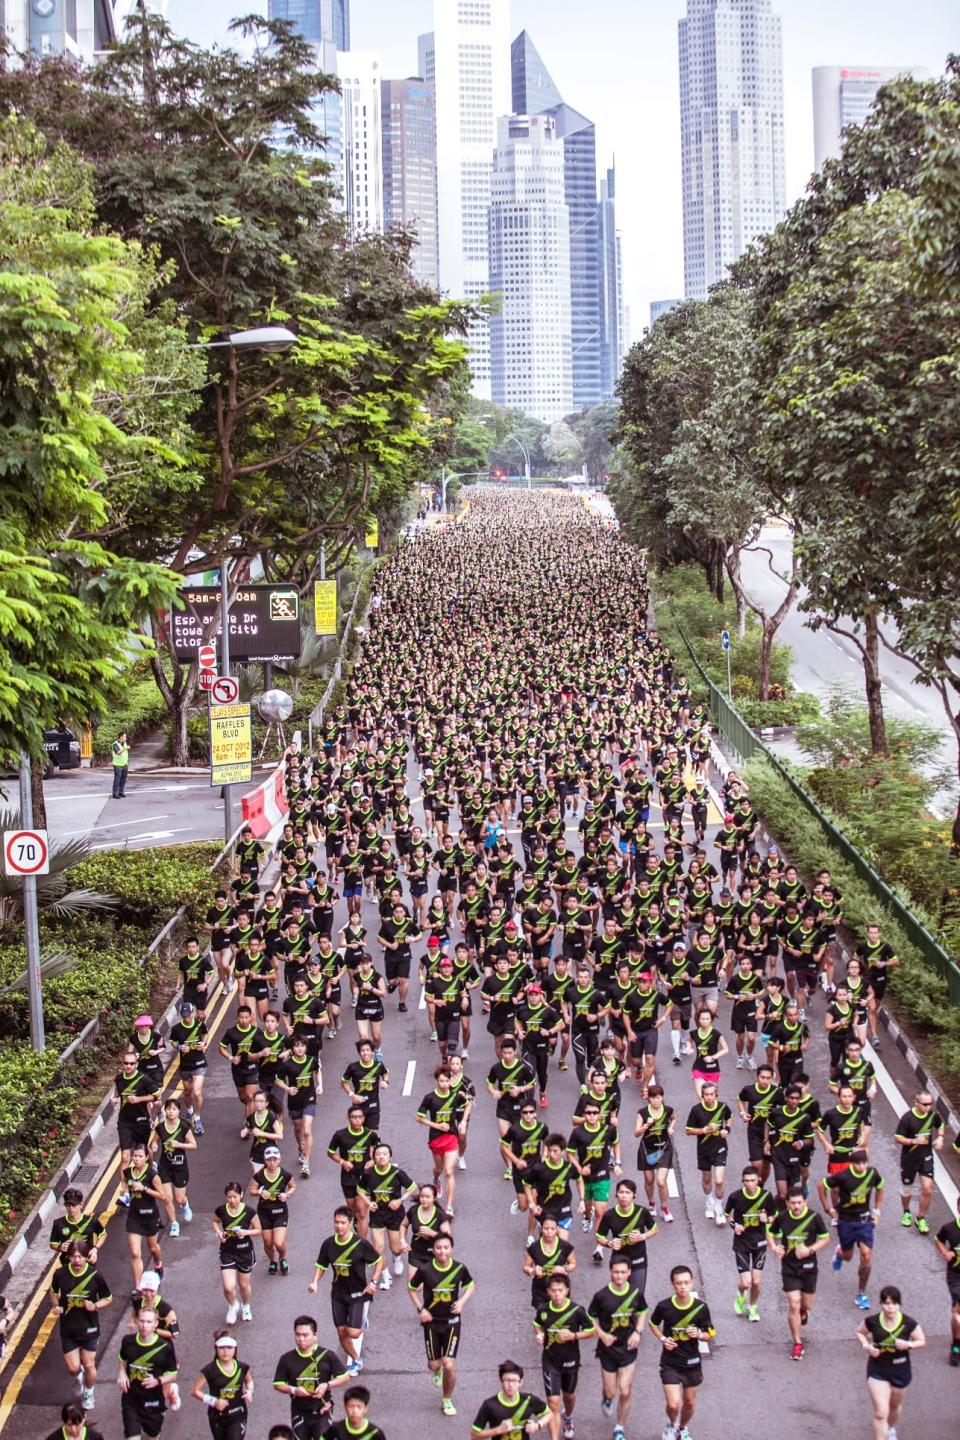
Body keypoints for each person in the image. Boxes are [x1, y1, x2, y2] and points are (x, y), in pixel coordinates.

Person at [407, 1231, 476, 1418]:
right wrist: (421, 1309)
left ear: (451, 1249)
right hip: (431, 1323)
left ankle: (447, 1399)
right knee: (434, 1364)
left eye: (446, 1248)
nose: (442, 1251)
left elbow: (470, 1285)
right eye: (438, 1248)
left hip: (452, 1322)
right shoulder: (425, 1269)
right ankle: (437, 1371)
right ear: (433, 1250)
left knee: (450, 1364)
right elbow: (411, 1289)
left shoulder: (459, 1268)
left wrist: (461, 1302)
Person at [309, 1206, 384, 1374]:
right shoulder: (328, 1244)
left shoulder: (360, 1244)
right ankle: (356, 1360)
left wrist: (373, 1282)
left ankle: (361, 1321)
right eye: (336, 1222)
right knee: (342, 1332)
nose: (339, 1226)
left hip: (359, 1294)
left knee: (354, 1333)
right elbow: (321, 1265)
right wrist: (315, 1282)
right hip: (338, 1294)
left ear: (350, 1223)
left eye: (343, 1223)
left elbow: (379, 1261)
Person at [649, 1264, 715, 1440]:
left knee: (690, 1403)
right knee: (673, 1404)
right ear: (673, 1284)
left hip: (692, 1363)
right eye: (679, 1283)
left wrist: (700, 1334)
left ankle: (683, 1427)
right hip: (670, 1362)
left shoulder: (701, 1308)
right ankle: (671, 1424)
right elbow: (653, 1324)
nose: (683, 1286)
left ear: (692, 1283)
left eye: (686, 1282)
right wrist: (664, 1339)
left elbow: (711, 1334)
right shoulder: (664, 1306)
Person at [766, 1185, 831, 1360]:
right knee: (793, 1303)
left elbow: (825, 1238)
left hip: (809, 1267)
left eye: (800, 1203)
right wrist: (774, 1247)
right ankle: (797, 1342)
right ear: (787, 1203)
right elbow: (771, 1233)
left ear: (805, 1202)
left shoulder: (814, 1217)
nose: (796, 1206)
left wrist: (809, 1250)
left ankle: (804, 1310)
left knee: (807, 1305)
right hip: (789, 1267)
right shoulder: (782, 1218)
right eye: (793, 1203)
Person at [587, 1255, 647, 1440]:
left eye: (623, 1272)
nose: (619, 1276)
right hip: (608, 1349)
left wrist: (638, 1331)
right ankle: (607, 1397)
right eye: (615, 1272)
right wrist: (602, 1334)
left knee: (626, 1390)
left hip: (628, 1348)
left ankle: (619, 1427)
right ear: (610, 1272)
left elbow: (643, 1311)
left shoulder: (635, 1293)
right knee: (611, 1391)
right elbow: (590, 1316)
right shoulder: (601, 1296)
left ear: (629, 1273)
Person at [49, 1242, 113, 1411]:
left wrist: (96, 1306)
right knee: (73, 1368)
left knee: (89, 1364)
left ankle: (89, 1392)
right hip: (68, 1328)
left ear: (86, 1257)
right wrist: (56, 1306)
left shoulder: (95, 1275)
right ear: (69, 1257)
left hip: (89, 1327)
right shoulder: (60, 1274)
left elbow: (108, 1297)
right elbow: (54, 1292)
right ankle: (79, 1376)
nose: (77, 1260)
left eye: (80, 1257)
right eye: (73, 1256)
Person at [857, 1285, 924, 1440]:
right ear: (881, 1304)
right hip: (878, 1370)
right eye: (887, 1303)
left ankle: (891, 1428)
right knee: (881, 1412)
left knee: (894, 1407)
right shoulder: (872, 1321)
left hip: (900, 1370)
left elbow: (921, 1340)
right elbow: (860, 1332)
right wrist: (867, 1346)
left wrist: (909, 1344)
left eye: (894, 1303)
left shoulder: (908, 1323)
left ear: (899, 1304)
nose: (890, 1307)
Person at [533, 1273, 595, 1440]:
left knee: (568, 1396)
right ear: (548, 1292)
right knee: (553, 1402)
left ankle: (567, 1416)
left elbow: (591, 1330)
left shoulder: (577, 1310)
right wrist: (539, 1334)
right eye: (553, 1291)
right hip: (550, 1361)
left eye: (560, 1290)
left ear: (567, 1290)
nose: (557, 1294)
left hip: (570, 1361)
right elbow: (537, 1324)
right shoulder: (543, 1309)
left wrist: (573, 1336)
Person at [272, 1314, 349, 1435]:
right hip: (299, 1411)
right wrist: (294, 1390)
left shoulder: (328, 1355)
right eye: (297, 1335)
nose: (301, 1339)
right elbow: (278, 1384)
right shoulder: (286, 1358)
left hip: (323, 1410)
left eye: (305, 1335)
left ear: (315, 1335)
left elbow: (345, 1376)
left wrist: (327, 1385)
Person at [830, 1149, 884, 1310]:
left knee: (866, 1256)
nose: (862, 1167)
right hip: (846, 1221)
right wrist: (830, 1209)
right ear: (852, 1164)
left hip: (864, 1220)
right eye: (858, 1163)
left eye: (864, 1163)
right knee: (848, 1257)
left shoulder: (872, 1174)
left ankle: (861, 1293)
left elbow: (880, 1188)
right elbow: (824, 1186)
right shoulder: (844, 1176)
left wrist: (877, 1211)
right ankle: (840, 1253)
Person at [117, 1305, 179, 1440]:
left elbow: (173, 1373)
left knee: (152, 1436)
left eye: (149, 1322)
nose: (144, 1325)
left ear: (156, 1324)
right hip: (131, 1398)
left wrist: (158, 1381)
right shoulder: (128, 1341)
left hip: (154, 1398)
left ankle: (171, 1391)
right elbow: (122, 1358)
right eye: (142, 1321)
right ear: (138, 1321)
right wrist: (122, 1373)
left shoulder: (165, 1346)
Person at [417, 1065, 469, 1216]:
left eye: (446, 1081)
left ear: (450, 1081)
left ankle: (449, 1206)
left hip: (451, 1137)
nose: (444, 1084)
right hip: (435, 1138)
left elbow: (468, 1105)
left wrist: (463, 1122)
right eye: (441, 1081)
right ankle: (435, 1179)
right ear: (436, 1081)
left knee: (449, 1170)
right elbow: (419, 1118)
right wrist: (437, 1125)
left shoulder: (456, 1096)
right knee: (439, 1169)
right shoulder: (429, 1098)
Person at [723, 1166, 772, 1322]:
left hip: (760, 1242)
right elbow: (727, 1216)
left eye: (753, 1181)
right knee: (746, 1282)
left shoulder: (766, 1196)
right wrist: (734, 1226)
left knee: (756, 1282)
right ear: (742, 1181)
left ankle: (752, 1307)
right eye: (747, 1181)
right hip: (742, 1243)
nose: (750, 1184)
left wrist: (768, 1219)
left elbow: (774, 1216)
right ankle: (741, 1294)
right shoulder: (735, 1197)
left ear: (759, 1180)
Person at [213, 1181, 261, 1324]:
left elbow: (259, 1229)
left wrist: (245, 1232)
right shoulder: (221, 1210)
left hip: (245, 1252)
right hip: (227, 1251)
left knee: (244, 1285)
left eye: (235, 1197)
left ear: (241, 1195)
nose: (232, 1200)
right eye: (229, 1197)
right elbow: (215, 1222)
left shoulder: (249, 1211)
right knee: (228, 1286)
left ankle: (246, 1306)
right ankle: (233, 1304)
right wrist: (219, 1233)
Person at [895, 1091, 944, 1233]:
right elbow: (897, 1138)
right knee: (907, 1189)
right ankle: (906, 1212)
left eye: (930, 1104)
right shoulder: (907, 1118)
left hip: (926, 1156)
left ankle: (921, 1218)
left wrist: (940, 1137)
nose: (928, 1107)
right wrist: (913, 1141)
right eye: (925, 1104)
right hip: (909, 1158)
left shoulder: (932, 1116)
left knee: (927, 1189)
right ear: (916, 1103)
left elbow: (940, 1125)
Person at [191, 1331, 254, 1440]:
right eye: (221, 1347)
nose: (225, 1351)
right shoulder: (210, 1370)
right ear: (216, 1348)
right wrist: (214, 1402)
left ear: (235, 1348)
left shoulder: (242, 1367)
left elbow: (249, 1382)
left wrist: (250, 1391)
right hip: (217, 1416)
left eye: (229, 1347)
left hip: (238, 1413)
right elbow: (195, 1391)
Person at [684, 1083, 731, 1225]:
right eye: (706, 1095)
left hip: (720, 1149)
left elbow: (729, 1117)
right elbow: (688, 1130)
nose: (709, 1097)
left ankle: (719, 1206)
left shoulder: (723, 1107)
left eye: (712, 1094)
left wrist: (727, 1130)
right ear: (702, 1096)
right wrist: (705, 1130)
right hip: (704, 1150)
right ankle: (709, 1200)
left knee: (719, 1180)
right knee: (706, 1180)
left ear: (716, 1094)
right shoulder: (696, 1110)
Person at [150, 1096, 196, 1239]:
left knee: (179, 1198)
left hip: (180, 1167)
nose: (171, 1112)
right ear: (165, 1111)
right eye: (168, 1109)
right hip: (165, 1166)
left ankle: (185, 1205)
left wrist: (180, 1145)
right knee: (167, 1198)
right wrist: (155, 1145)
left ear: (178, 1111)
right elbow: (153, 1142)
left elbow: (194, 1145)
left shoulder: (183, 1127)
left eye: (174, 1109)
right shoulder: (160, 1127)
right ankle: (174, 1223)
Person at [471, 1359, 553, 1438]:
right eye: (507, 1380)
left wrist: (537, 1425)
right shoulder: (489, 1405)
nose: (510, 1385)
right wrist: (497, 1430)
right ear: (501, 1381)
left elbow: (550, 1414)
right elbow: (474, 1434)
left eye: (514, 1380)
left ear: (520, 1382)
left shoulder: (528, 1400)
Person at [249, 1146, 297, 1275]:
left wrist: (287, 1194)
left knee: (279, 1242)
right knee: (268, 1242)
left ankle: (282, 1257)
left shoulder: (285, 1174)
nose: (272, 1162)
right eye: (269, 1160)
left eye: (275, 1159)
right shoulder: (259, 1176)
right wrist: (259, 1192)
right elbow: (251, 1190)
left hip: (280, 1212)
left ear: (279, 1160)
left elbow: (293, 1186)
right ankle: (273, 1260)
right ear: (265, 1160)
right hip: (264, 1213)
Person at [123, 1143, 166, 1285]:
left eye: (140, 1156)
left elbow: (162, 1196)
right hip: (134, 1217)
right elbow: (124, 1184)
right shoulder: (128, 1173)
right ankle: (138, 1286)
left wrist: (144, 1188)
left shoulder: (152, 1175)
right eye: (135, 1156)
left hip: (150, 1216)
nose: (137, 1159)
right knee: (135, 1253)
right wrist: (123, 1192)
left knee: (153, 1248)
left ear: (146, 1157)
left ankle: (158, 1263)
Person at [934, 1195, 960, 1366]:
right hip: (956, 1276)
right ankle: (956, 1345)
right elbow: (938, 1239)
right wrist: (944, 1253)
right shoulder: (950, 1228)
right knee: (957, 1309)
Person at [50, 1190, 106, 1267]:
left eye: (74, 1205)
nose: (71, 1208)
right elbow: (53, 1243)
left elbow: (103, 1234)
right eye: (68, 1205)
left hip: (88, 1264)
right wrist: (60, 1247)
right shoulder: (58, 1223)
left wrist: (95, 1249)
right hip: (67, 1264)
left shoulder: (91, 1221)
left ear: (81, 1205)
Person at [112, 730, 130, 798]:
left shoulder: (125, 743)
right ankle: (115, 793)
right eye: (125, 736)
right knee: (117, 779)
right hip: (117, 765)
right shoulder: (115, 744)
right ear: (121, 737)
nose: (126, 738)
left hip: (124, 764)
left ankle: (121, 792)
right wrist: (125, 748)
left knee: (123, 779)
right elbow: (118, 752)